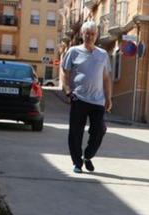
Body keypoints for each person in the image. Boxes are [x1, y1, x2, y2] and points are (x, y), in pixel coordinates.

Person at [61, 21, 113, 174]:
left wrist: (108, 98)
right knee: (76, 132)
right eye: (87, 34)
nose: (90, 36)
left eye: (93, 34)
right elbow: (65, 72)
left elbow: (106, 78)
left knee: (99, 129)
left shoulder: (102, 55)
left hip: (98, 100)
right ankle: (77, 163)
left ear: (96, 35)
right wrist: (68, 90)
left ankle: (88, 155)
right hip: (79, 98)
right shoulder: (73, 51)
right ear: (82, 35)